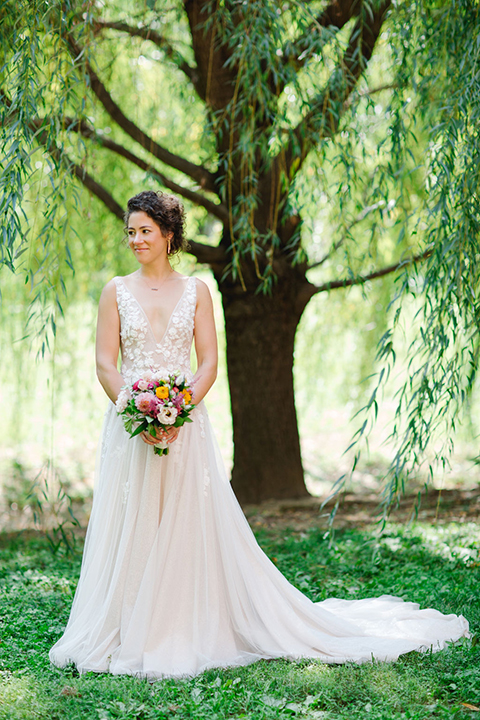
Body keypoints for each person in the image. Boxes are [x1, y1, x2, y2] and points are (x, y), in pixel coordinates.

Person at [49, 190, 469, 679]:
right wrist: (137, 413)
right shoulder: (115, 290)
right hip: (130, 424)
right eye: (130, 232)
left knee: (185, 520)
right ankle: (125, 624)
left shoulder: (198, 291)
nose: (135, 240)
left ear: (168, 235)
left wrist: (176, 409)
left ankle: (181, 621)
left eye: (144, 230)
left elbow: (208, 361)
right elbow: (105, 362)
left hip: (185, 424)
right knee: (133, 520)